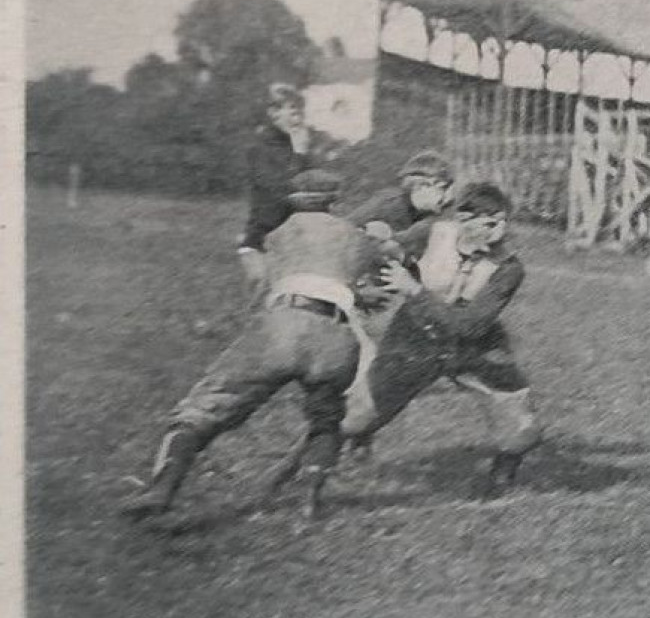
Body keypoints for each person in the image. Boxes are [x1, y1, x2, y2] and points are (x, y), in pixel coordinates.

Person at [122, 169, 374, 520]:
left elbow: (261, 283)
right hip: (338, 335)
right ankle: (310, 500)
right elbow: (368, 281)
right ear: (334, 202)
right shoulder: (357, 237)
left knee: (202, 408)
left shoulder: (279, 234)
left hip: (285, 322)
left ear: (295, 201)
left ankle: (161, 489)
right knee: (326, 418)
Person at [339, 183, 547, 500]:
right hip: (414, 336)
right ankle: (321, 459)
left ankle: (501, 479)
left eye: (504, 222)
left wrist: (415, 291)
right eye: (490, 223)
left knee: (523, 428)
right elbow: (385, 250)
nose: (500, 232)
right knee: (356, 417)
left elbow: (471, 326)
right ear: (464, 218)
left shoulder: (509, 266)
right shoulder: (433, 232)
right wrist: (363, 283)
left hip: (473, 345)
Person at [237, 84, 317, 303]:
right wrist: (300, 155)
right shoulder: (259, 148)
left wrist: (303, 155)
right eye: (292, 111)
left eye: (300, 112)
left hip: (291, 239)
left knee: (290, 301)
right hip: (261, 239)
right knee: (263, 291)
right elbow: (279, 191)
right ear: (273, 113)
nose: (298, 118)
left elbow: (310, 189)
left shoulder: (298, 147)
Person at [346, 150, 455, 239]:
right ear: (421, 185)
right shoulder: (389, 205)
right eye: (443, 188)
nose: (447, 197)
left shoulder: (425, 212)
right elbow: (344, 228)